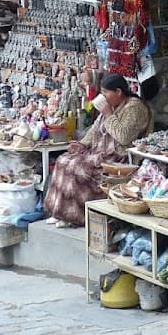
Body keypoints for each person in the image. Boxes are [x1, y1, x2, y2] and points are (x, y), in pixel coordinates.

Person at [43, 74, 153, 227]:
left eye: (106, 92)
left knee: (77, 167)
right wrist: (82, 144)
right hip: (99, 153)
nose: (103, 96)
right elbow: (95, 129)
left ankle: (75, 216)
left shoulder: (135, 107)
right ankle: (60, 212)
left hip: (118, 158)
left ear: (118, 92)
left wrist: (108, 114)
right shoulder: (112, 106)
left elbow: (124, 137)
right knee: (63, 160)